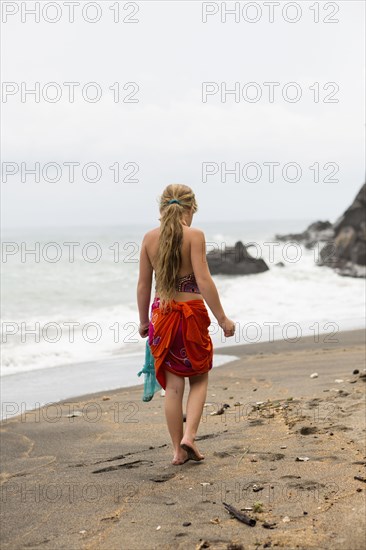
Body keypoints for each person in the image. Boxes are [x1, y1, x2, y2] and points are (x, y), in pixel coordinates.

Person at [136, 184, 235, 465]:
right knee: (200, 376)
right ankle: (189, 437)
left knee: (174, 387)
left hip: (162, 316)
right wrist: (222, 318)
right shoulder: (194, 235)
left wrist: (144, 320)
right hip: (190, 315)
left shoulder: (149, 238)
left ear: (161, 209)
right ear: (190, 209)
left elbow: (144, 285)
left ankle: (177, 452)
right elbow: (203, 280)